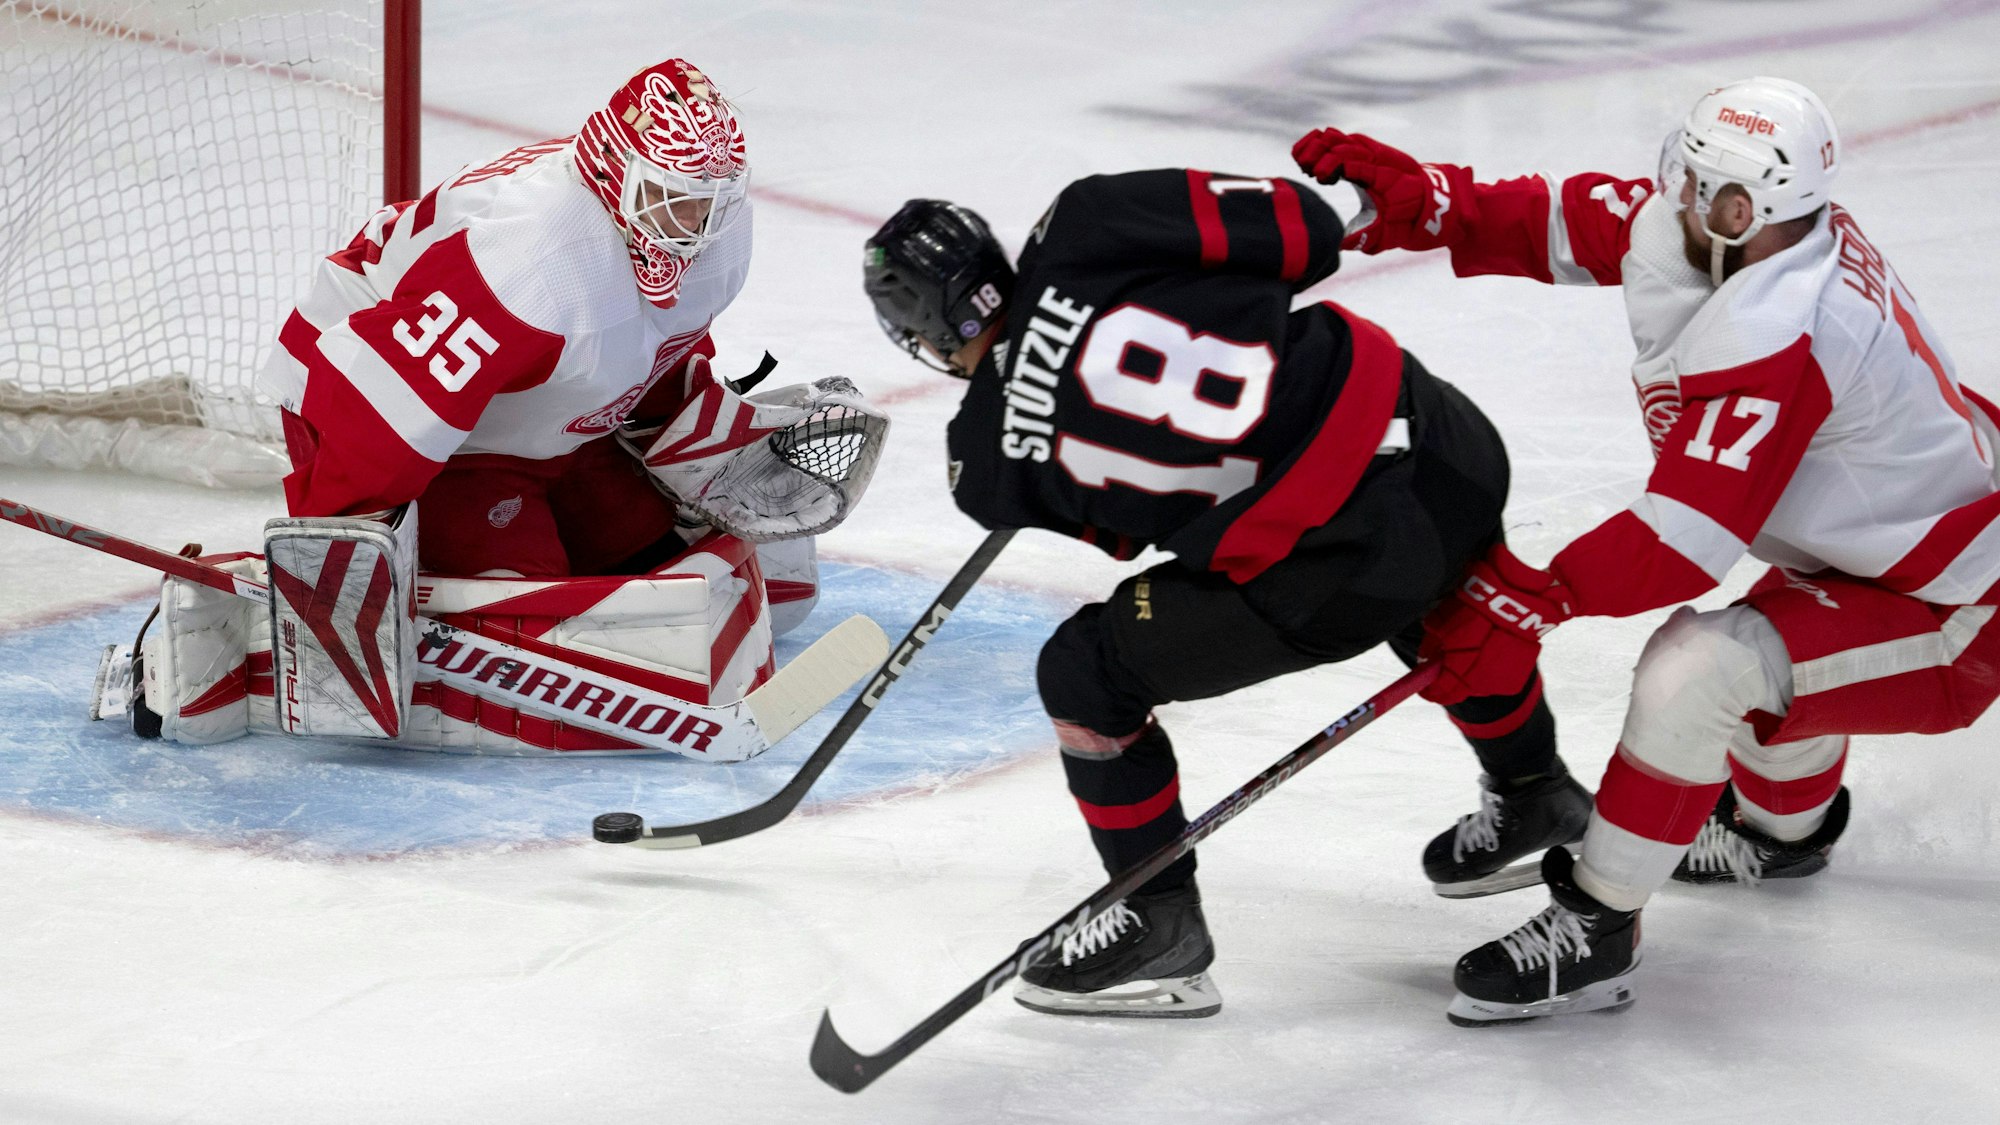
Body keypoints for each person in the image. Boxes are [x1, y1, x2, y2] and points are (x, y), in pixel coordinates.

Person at [1292, 76, 2000, 1025]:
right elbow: (1584, 219)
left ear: (1742, 208)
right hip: (1872, 558)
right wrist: (1440, 204)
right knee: (1771, 672)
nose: (1674, 193)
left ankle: (1597, 930)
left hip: (1958, 606)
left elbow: (1682, 537)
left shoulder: (1783, 328)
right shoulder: (1745, 238)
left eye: (1699, 184)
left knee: (1698, 671)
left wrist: (1529, 593)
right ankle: (1784, 837)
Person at [862, 170, 1586, 1019]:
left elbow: (1133, 530)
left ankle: (1155, 918)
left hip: (1344, 573)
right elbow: (1304, 229)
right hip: (1445, 443)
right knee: (1439, 587)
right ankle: (1533, 784)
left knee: (1085, 672)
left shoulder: (982, 469)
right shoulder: (1088, 220)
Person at [123, 59, 885, 755]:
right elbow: (373, 408)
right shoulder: (532, 261)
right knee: (545, 621)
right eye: (670, 203)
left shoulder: (710, 237)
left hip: (548, 419)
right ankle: (217, 636)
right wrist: (333, 575)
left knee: (660, 579)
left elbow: (653, 346)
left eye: (709, 208)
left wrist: (691, 433)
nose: (690, 232)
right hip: (403, 421)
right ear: (614, 171)